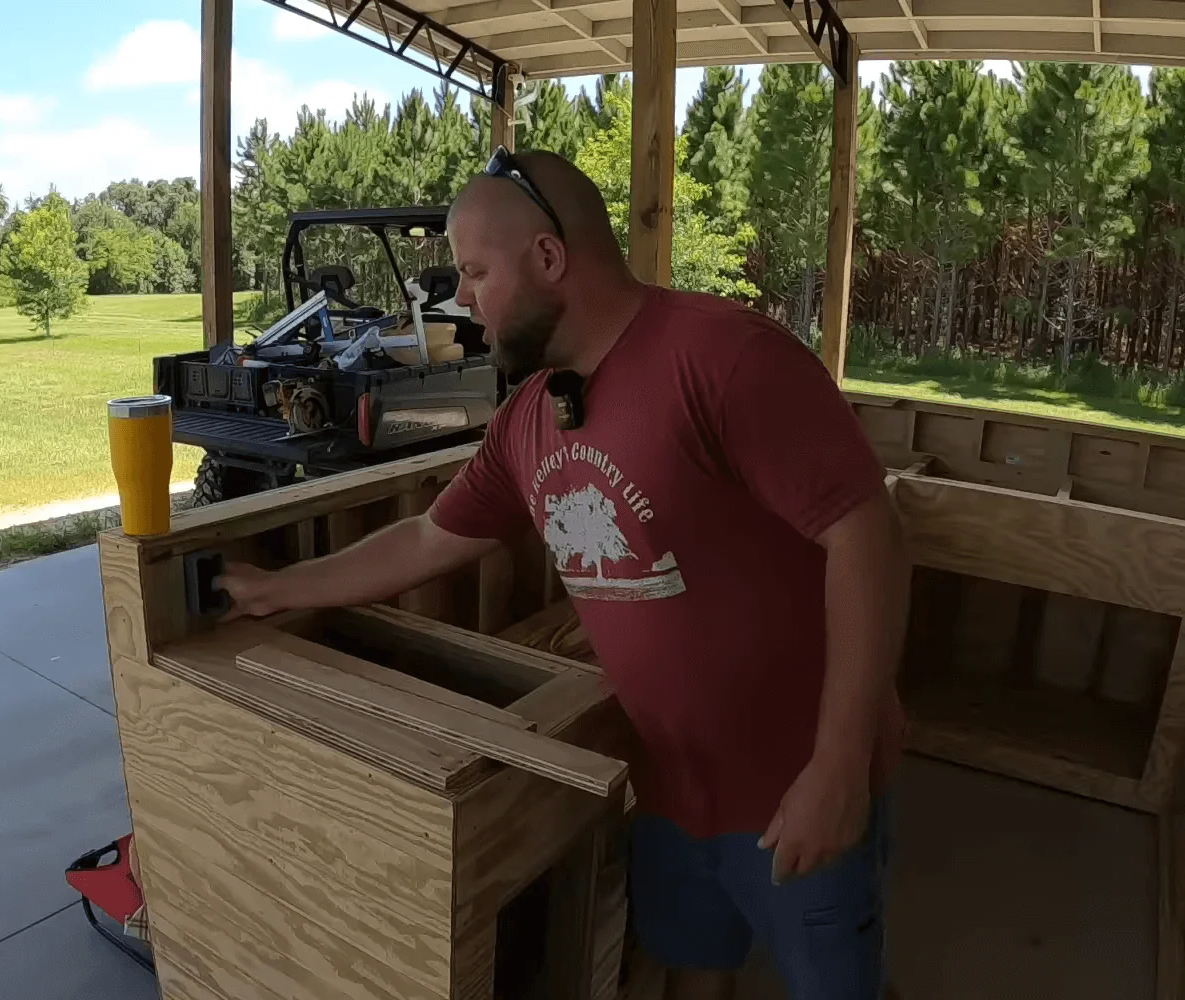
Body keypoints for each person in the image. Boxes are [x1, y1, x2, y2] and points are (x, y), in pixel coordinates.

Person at [218, 148, 910, 1000]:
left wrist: (838, 770)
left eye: (474, 272)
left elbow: (866, 535)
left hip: (802, 780)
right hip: (666, 786)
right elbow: (428, 540)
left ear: (548, 259)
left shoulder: (724, 356)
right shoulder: (529, 418)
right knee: (692, 968)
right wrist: (277, 589)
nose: (461, 300)